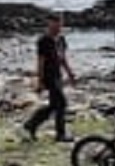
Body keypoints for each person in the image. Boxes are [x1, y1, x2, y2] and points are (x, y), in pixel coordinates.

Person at [21, 14, 76, 142]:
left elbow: (62, 59)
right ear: (49, 24)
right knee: (62, 104)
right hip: (48, 76)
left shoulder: (61, 40)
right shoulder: (43, 41)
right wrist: (39, 82)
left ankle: (31, 125)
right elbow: (40, 62)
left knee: (53, 105)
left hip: (58, 75)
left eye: (60, 23)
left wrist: (70, 73)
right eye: (54, 23)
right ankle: (60, 134)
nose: (57, 26)